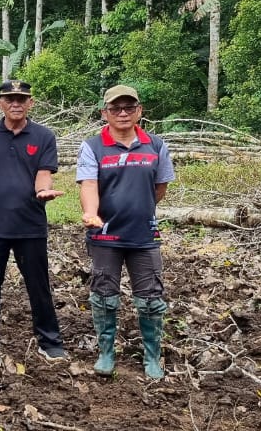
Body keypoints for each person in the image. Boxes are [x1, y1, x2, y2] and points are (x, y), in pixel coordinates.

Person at [77, 85, 175, 379]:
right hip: (105, 236)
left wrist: (138, 207)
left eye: (129, 107)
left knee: (150, 298)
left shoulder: (156, 146)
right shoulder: (93, 146)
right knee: (104, 294)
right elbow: (89, 184)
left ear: (139, 111)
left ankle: (152, 355)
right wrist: (92, 213)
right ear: (104, 113)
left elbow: (160, 188)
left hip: (144, 236)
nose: (122, 113)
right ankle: (106, 352)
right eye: (115, 108)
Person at [0, 81, 67, 360]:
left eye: (21, 99)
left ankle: (50, 341)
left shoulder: (43, 136)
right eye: (10, 99)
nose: (16, 104)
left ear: (30, 103)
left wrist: (42, 192)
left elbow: (44, 172)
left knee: (38, 284)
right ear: (0, 103)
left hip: (30, 224)